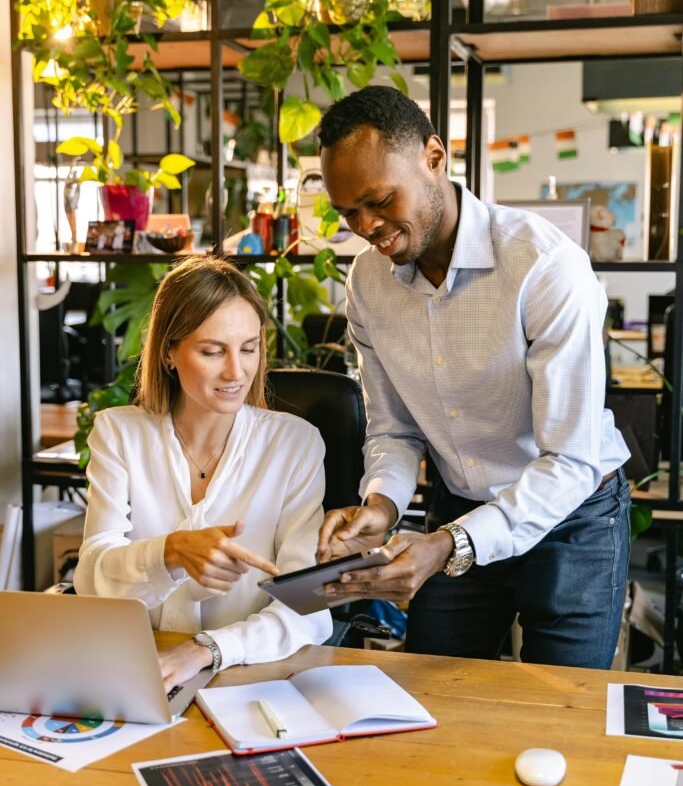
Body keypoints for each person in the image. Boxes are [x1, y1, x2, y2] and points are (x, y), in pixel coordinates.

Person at [316, 85, 630, 670]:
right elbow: (393, 429)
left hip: (573, 517)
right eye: (348, 212)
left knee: (560, 703)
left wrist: (448, 545)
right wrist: (380, 506)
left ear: (434, 157)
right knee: (435, 692)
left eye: (379, 200)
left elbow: (570, 459)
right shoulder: (367, 283)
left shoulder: (544, 266)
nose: (367, 226)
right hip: (459, 504)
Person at [74, 256, 332, 690]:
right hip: (137, 667)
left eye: (249, 348)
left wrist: (207, 649)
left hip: (250, 676)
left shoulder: (295, 444)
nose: (236, 371)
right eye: (212, 351)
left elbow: (308, 606)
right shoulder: (118, 434)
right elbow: (91, 577)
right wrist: (169, 554)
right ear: (168, 353)